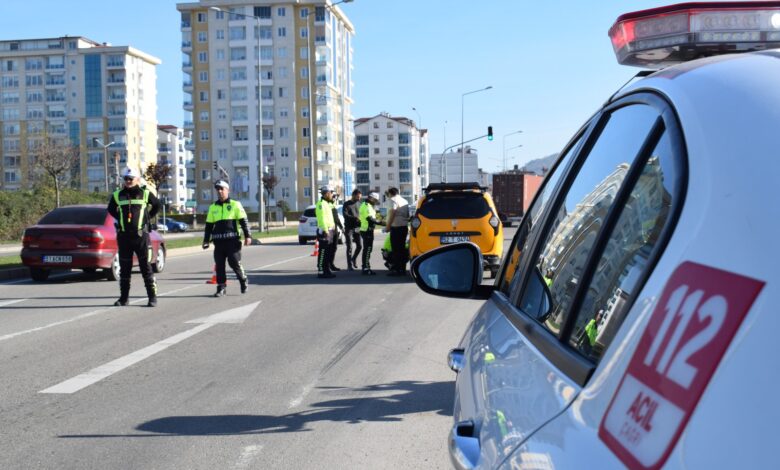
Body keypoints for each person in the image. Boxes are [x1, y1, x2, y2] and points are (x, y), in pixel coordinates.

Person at [107, 167, 161, 307]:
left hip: (140, 236)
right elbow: (111, 209)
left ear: (137, 179)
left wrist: (147, 218)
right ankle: (124, 298)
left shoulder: (145, 193)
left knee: (146, 268)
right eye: (126, 179)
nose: (128, 181)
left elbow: (157, 205)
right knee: (124, 269)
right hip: (124, 237)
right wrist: (120, 218)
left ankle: (152, 297)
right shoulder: (118, 195)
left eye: (131, 179)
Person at [202, 180, 252, 297]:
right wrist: (206, 240)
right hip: (218, 242)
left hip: (232, 241)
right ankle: (221, 288)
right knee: (219, 265)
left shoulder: (235, 204)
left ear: (227, 190)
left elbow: (243, 222)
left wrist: (248, 236)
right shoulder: (213, 207)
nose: (219, 191)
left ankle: (243, 280)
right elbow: (209, 226)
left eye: (222, 189)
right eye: (217, 189)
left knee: (234, 262)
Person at [383, 187, 410, 276]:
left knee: (396, 249)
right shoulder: (405, 201)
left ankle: (396, 270)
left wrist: (388, 227)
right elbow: (407, 215)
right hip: (404, 227)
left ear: (390, 193)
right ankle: (402, 269)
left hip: (396, 228)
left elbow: (392, 213)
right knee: (402, 249)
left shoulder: (393, 200)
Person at [315, 185, 338, 278]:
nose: (332, 195)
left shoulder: (327, 203)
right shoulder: (321, 204)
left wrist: (334, 199)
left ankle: (326, 270)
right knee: (323, 251)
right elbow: (322, 218)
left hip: (330, 230)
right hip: (325, 230)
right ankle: (321, 271)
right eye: (331, 193)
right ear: (327, 193)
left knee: (328, 252)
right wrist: (325, 230)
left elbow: (333, 207)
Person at [359, 192, 384, 275]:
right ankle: (365, 268)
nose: (376, 202)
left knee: (368, 249)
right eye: (375, 200)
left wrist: (380, 218)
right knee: (367, 249)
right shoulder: (366, 206)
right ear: (371, 198)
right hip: (366, 230)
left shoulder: (369, 206)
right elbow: (370, 219)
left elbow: (374, 216)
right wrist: (381, 223)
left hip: (368, 230)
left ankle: (366, 266)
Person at [341, 188, 362, 270]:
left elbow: (361, 214)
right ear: (353, 195)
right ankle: (349, 265)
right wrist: (355, 218)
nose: (359, 199)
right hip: (349, 228)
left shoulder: (359, 204)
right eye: (358, 197)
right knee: (349, 246)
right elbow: (345, 215)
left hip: (357, 228)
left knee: (359, 246)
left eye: (360, 197)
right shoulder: (346, 204)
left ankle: (353, 259)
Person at [329, 192, 344, 272]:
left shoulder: (333, 205)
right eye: (334, 197)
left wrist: (341, 227)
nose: (335, 198)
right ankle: (326, 265)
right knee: (329, 248)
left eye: (336, 197)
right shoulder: (328, 205)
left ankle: (331, 264)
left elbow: (336, 218)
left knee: (334, 248)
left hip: (334, 229)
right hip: (329, 230)